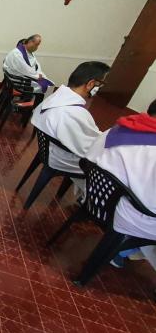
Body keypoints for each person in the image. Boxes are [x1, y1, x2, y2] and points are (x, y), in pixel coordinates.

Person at [88, 101, 156, 270]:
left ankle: (128, 250)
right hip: (119, 213)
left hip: (93, 194)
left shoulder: (122, 125)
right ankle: (124, 250)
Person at [30, 61, 109, 195]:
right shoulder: (75, 113)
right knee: (107, 170)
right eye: (100, 84)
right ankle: (89, 201)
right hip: (61, 158)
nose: (100, 88)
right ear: (90, 84)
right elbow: (90, 148)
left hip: (48, 150)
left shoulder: (56, 96)